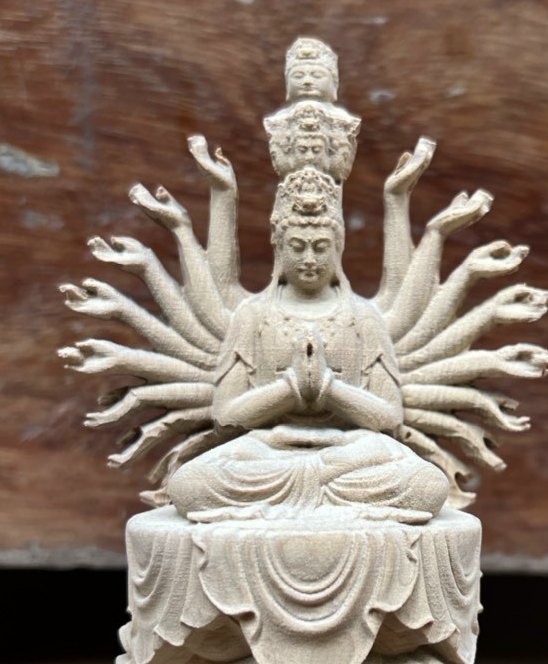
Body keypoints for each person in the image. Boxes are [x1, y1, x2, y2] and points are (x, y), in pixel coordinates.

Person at [167, 168, 449, 523]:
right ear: (279, 247)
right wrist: (291, 390)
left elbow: (389, 417)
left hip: (351, 452)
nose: (310, 260)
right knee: (189, 485)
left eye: (321, 247)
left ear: (338, 247)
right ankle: (325, 501)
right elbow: (226, 415)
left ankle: (298, 502)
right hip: (267, 452)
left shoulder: (363, 317)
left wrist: (328, 389)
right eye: (297, 247)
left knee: (428, 486)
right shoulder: (252, 315)